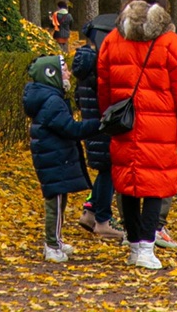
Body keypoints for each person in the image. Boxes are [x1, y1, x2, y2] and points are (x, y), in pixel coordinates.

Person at [95, 0, 177, 271]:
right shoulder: (171, 43)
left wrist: (108, 115)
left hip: (124, 122)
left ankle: (134, 242)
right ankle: (147, 247)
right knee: (154, 185)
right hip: (160, 125)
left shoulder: (113, 39)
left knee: (127, 183)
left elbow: (103, 84)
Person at [24, 54, 103, 262]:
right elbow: (70, 129)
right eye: (64, 70)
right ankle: (51, 244)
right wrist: (98, 125)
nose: (68, 73)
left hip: (53, 157)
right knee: (55, 204)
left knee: (58, 201)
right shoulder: (52, 102)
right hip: (53, 159)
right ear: (52, 75)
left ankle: (56, 241)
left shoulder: (50, 98)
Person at [71, 12, 125, 240]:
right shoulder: (99, 62)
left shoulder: (84, 61)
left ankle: (91, 210)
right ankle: (102, 219)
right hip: (104, 122)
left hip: (90, 122)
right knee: (109, 168)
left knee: (106, 168)